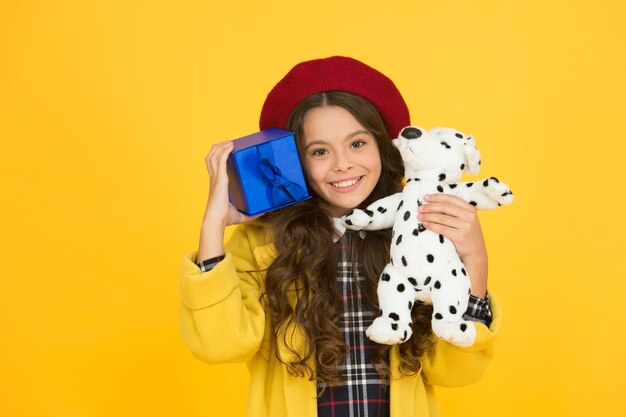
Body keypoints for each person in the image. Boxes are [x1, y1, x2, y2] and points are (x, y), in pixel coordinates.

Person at [180, 56, 499, 417]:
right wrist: (213, 225)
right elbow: (219, 346)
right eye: (319, 151)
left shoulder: (422, 235)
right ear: (294, 163)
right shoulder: (263, 245)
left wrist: (475, 259)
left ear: (383, 146)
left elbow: (458, 372)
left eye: (357, 144)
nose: (342, 164)